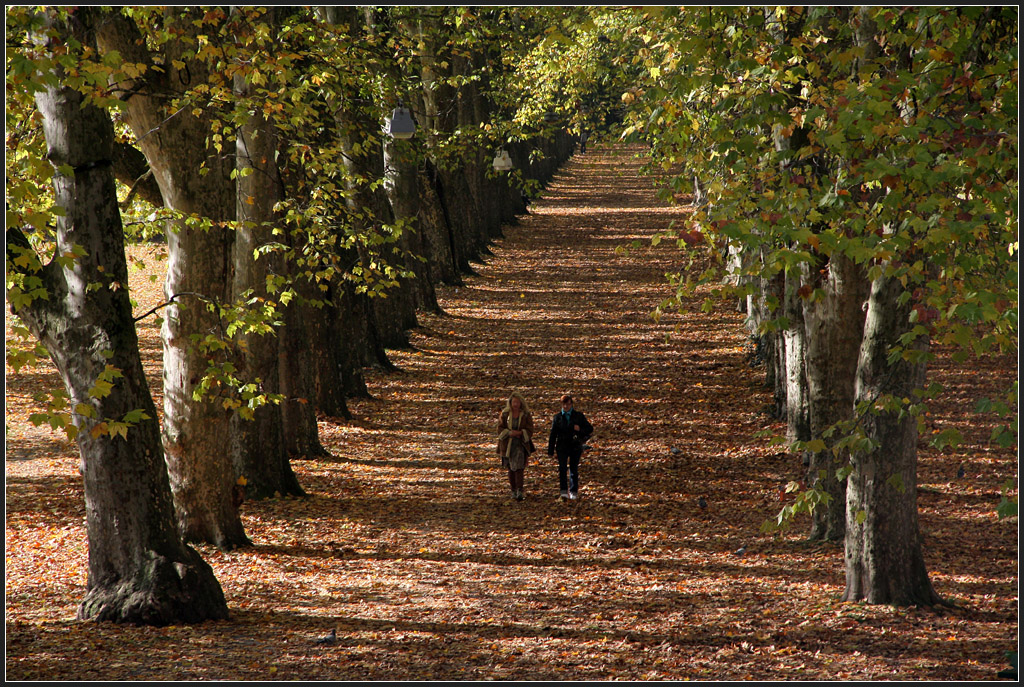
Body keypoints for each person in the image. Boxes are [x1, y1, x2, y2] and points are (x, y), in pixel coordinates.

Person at [547, 394, 593, 501]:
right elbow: (553, 435)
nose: (566, 406)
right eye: (564, 404)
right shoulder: (557, 418)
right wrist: (550, 450)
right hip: (562, 447)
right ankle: (563, 491)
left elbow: (589, 429)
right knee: (562, 469)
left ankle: (573, 491)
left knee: (574, 469)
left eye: (568, 404)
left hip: (575, 446)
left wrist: (579, 429)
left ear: (571, 404)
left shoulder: (578, 416)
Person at [497, 392, 536, 501]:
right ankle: (513, 490)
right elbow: (500, 429)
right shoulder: (504, 414)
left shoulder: (526, 415)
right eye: (514, 402)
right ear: (510, 402)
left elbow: (530, 429)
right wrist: (509, 433)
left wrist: (520, 433)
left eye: (518, 402)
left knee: (519, 468)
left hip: (520, 444)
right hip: (507, 445)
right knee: (510, 468)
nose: (516, 404)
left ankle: (520, 490)